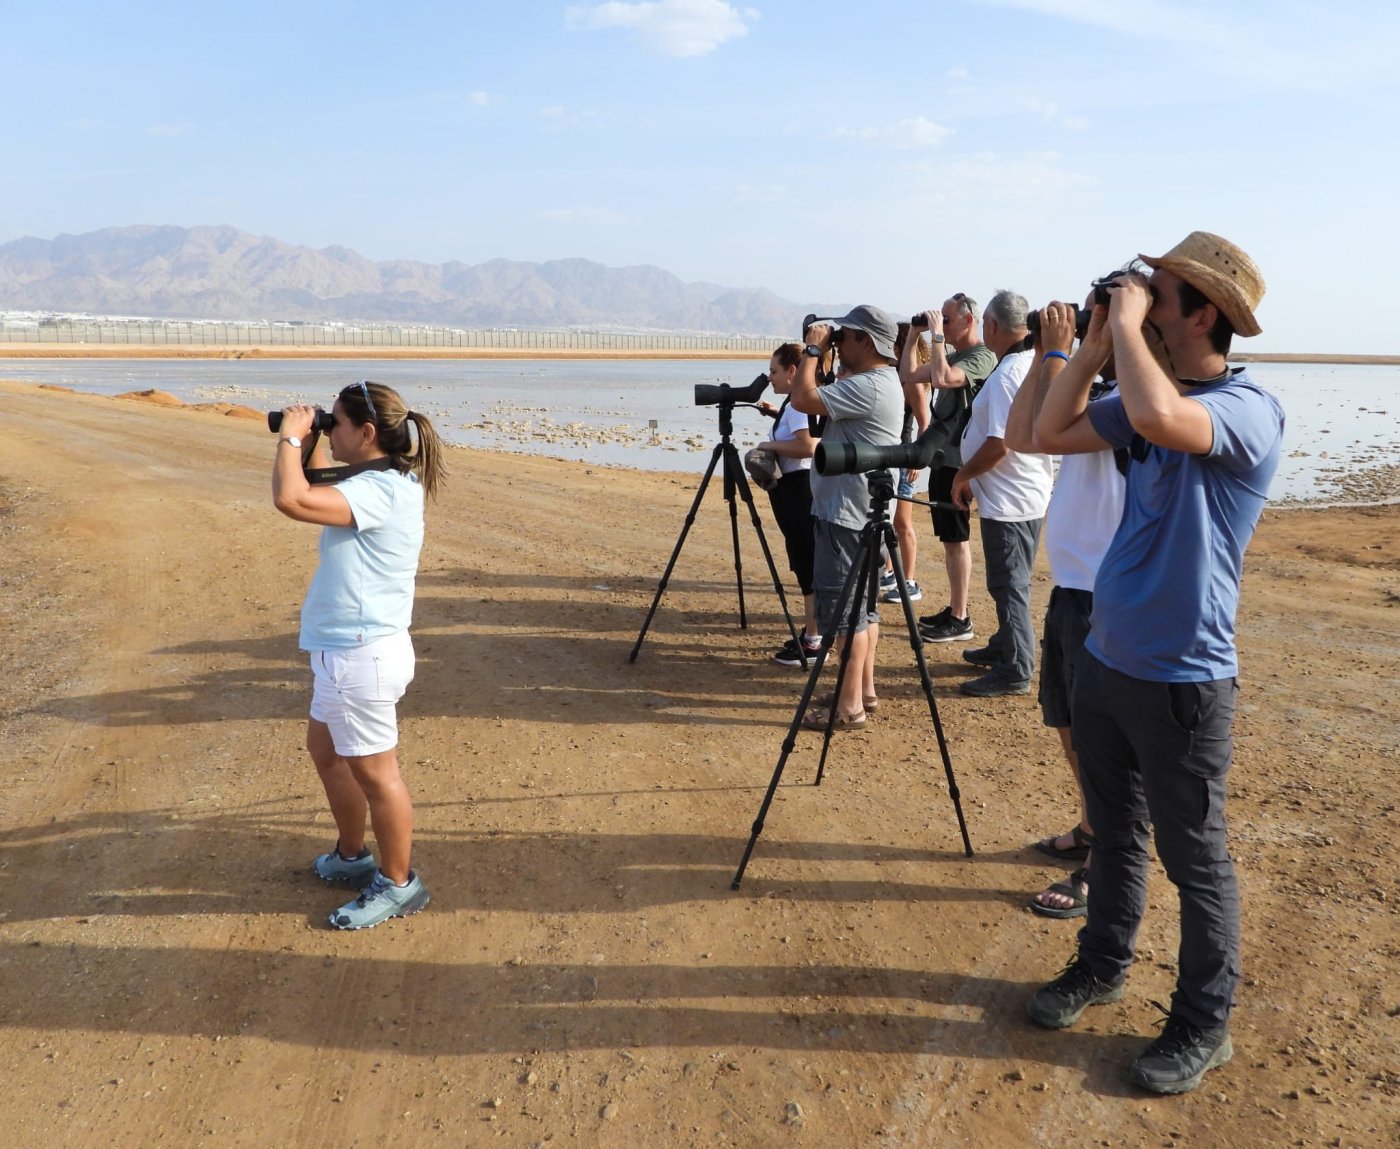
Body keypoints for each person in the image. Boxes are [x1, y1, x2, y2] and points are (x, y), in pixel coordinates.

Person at [1025, 232, 1283, 1096]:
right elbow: (1043, 429)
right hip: (1107, 658)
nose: (1142, 301)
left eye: (1159, 293)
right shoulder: (1140, 387)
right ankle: (1101, 964)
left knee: (1196, 859)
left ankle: (1204, 1024)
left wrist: (1124, 332)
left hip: (1184, 680)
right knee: (1116, 835)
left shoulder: (1249, 408)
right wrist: (1092, 343)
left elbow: (1163, 421)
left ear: (1202, 312)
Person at [272, 381, 447, 930]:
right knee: (327, 753)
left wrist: (290, 439)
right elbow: (320, 481)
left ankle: (398, 884)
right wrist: (315, 437)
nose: (330, 431)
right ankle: (353, 856)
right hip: (344, 652)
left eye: (337, 424)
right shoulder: (379, 478)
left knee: (377, 775)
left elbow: (293, 497)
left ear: (367, 433)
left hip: (361, 655)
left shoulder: (381, 490)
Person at [1004, 297, 1127, 918]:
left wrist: (1062, 351)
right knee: (1067, 720)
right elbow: (1021, 436)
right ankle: (1090, 826)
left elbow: (1047, 431)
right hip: (1073, 585)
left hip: (1108, 591)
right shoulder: (1091, 385)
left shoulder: (1126, 398)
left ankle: (1101, 859)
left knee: (1102, 740)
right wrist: (1041, 354)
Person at [789, 306, 904, 730]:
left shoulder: (871, 385)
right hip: (862, 513)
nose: (840, 340)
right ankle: (863, 690)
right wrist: (827, 356)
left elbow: (802, 399)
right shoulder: (877, 381)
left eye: (847, 335)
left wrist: (814, 348)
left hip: (845, 515)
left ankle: (848, 706)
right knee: (864, 610)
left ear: (867, 341)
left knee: (844, 615)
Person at [948, 290, 1052, 697]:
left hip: (1012, 500)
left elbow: (1000, 443)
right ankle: (1005, 645)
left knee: (1009, 585)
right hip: (1019, 492)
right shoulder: (1025, 363)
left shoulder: (1011, 372)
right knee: (1011, 581)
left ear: (991, 326)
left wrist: (963, 474)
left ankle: (1015, 669)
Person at [903, 295, 996, 643]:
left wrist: (936, 336)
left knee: (957, 539)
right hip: (945, 459)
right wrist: (915, 336)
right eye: (940, 318)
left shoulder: (982, 357)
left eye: (947, 318)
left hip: (961, 463)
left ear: (968, 321)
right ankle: (956, 609)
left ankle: (961, 618)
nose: (942, 322)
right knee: (949, 539)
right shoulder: (954, 355)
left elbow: (942, 380)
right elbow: (909, 375)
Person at [755, 342, 821, 665]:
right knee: (807, 562)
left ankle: (812, 641)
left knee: (806, 565)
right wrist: (773, 414)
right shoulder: (793, 404)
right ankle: (814, 631)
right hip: (796, 493)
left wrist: (769, 445)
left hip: (798, 493)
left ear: (793, 371)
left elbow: (808, 446)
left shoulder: (797, 405)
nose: (770, 377)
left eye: (774, 371)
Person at [877, 322, 934, 603]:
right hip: (896, 454)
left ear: (899, 348)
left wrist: (917, 460)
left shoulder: (911, 382)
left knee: (902, 522)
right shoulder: (899, 377)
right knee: (889, 518)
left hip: (904, 455)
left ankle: (909, 581)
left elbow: (925, 423)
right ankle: (890, 571)